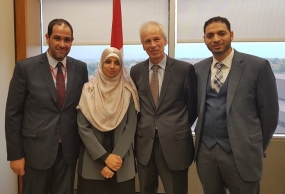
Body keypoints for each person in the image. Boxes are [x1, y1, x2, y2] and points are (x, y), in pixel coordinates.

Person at [194, 16, 279, 194]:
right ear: (204, 40)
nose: (216, 39)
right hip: (206, 153)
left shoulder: (257, 66)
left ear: (231, 35)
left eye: (221, 33)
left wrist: (255, 146)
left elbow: (270, 113)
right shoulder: (198, 69)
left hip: (243, 152)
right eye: (210, 35)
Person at [5, 18, 89, 194]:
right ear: (47, 38)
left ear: (72, 41)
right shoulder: (26, 68)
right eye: (57, 38)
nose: (62, 44)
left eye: (67, 40)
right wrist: (15, 155)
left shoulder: (80, 68)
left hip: (68, 152)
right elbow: (13, 114)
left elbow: (84, 107)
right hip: (35, 152)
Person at [130, 21, 197, 194]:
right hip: (145, 143)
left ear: (165, 41)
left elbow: (193, 106)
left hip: (175, 143)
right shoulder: (136, 71)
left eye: (156, 39)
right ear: (143, 45)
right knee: (146, 189)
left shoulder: (184, 69)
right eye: (147, 41)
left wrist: (176, 125)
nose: (152, 45)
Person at [76, 47, 140, 194]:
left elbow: (131, 127)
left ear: (121, 66)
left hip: (121, 162)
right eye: (108, 62)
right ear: (101, 64)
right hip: (93, 160)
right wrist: (105, 157)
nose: (112, 66)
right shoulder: (88, 90)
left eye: (117, 63)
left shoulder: (128, 91)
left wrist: (113, 162)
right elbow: (83, 127)